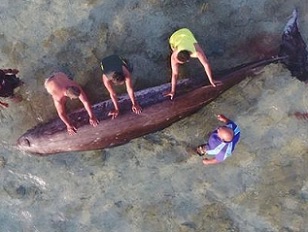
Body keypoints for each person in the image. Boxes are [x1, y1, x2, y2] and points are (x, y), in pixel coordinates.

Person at [166, 28, 218, 100]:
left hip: (186, 32)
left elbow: (206, 65)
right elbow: (174, 74)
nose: (176, 62)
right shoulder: (174, 56)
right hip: (174, 37)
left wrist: (211, 80)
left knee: (176, 69)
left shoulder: (196, 52)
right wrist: (172, 91)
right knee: (174, 68)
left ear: (188, 60)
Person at [101, 55, 142, 119]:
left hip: (115, 58)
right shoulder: (106, 77)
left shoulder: (125, 71)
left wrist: (134, 104)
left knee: (127, 66)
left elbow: (129, 89)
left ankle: (123, 60)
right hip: (104, 62)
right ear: (112, 81)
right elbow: (112, 94)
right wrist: (116, 109)